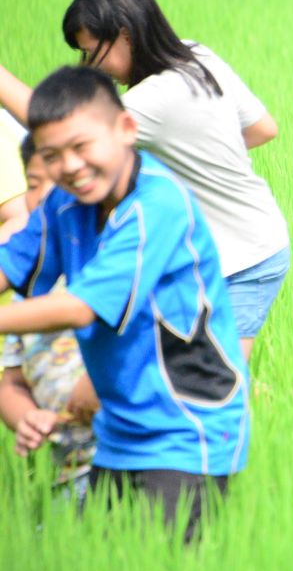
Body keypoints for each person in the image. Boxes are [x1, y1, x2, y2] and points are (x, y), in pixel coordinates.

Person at [0, 67, 249, 541]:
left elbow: (80, 307)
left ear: (126, 130)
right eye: (51, 156)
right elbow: (12, 265)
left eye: (82, 146)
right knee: (105, 569)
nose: (69, 166)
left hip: (186, 428)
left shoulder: (158, 203)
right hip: (117, 431)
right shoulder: (65, 203)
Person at [0, 0, 290, 357]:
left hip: (242, 257)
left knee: (213, 380)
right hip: (246, 237)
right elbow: (262, 129)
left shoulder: (153, 99)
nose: (92, 67)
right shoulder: (196, 55)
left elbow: (59, 125)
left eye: (92, 53)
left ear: (125, 34)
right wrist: (199, 158)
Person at [0, 135, 96, 499]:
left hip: (126, 455)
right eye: (34, 185)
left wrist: (100, 380)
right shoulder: (28, 285)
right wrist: (26, 417)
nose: (45, 198)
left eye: (58, 185)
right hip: (68, 468)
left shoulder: (109, 264)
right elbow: (11, 382)